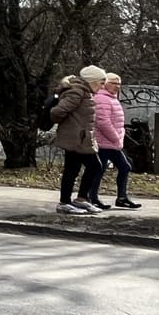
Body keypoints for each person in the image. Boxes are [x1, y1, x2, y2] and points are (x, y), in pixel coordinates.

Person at [49, 65, 107, 214]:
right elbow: (58, 111)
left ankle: (76, 200)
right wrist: (70, 126)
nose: (102, 87)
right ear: (92, 80)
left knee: (73, 169)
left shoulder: (84, 91)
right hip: (76, 138)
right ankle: (68, 201)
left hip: (80, 137)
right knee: (93, 166)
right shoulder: (77, 92)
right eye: (101, 83)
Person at [88, 72, 141, 210]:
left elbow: (118, 121)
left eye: (119, 84)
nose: (117, 86)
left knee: (125, 166)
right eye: (113, 83)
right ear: (105, 83)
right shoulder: (102, 98)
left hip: (113, 143)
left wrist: (120, 136)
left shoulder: (112, 98)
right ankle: (92, 197)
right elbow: (103, 122)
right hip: (103, 142)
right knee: (99, 169)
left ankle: (121, 198)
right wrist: (116, 138)